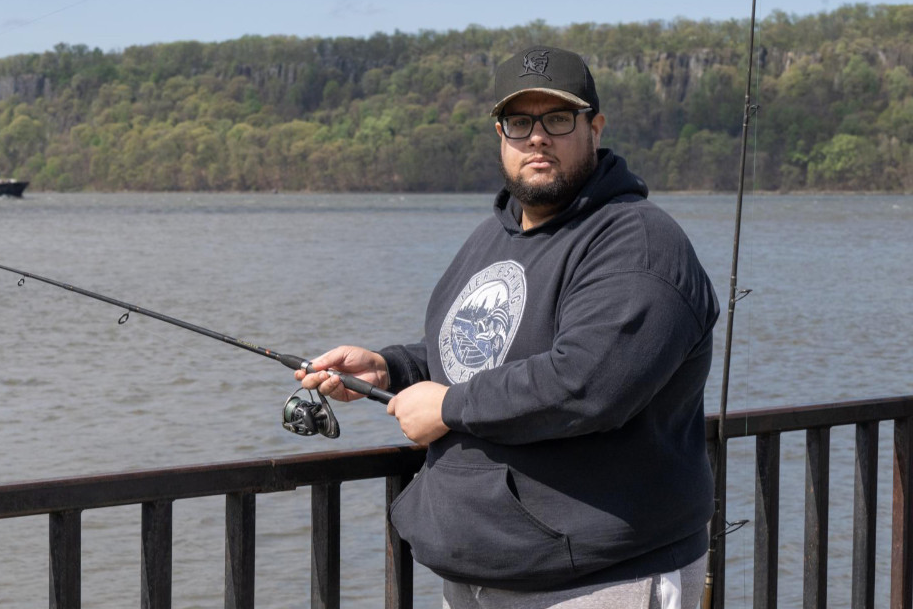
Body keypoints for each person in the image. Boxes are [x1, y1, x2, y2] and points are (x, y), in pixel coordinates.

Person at [298, 46, 718, 609]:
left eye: (558, 119)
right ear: (501, 134)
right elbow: (483, 350)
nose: (537, 137)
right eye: (520, 122)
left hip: (598, 578)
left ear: (595, 127)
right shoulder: (492, 236)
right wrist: (392, 368)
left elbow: (588, 384)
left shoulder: (637, 243)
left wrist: (447, 407)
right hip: (477, 568)